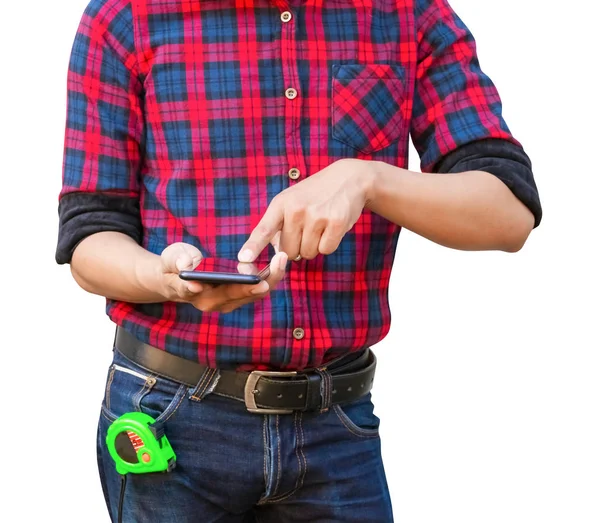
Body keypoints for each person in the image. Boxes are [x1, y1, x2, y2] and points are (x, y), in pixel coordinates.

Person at [56, 0, 542, 521]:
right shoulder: (126, 16)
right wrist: (162, 278)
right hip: (167, 418)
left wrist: (368, 178)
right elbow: (89, 238)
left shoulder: (409, 13)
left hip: (338, 423)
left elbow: (507, 214)